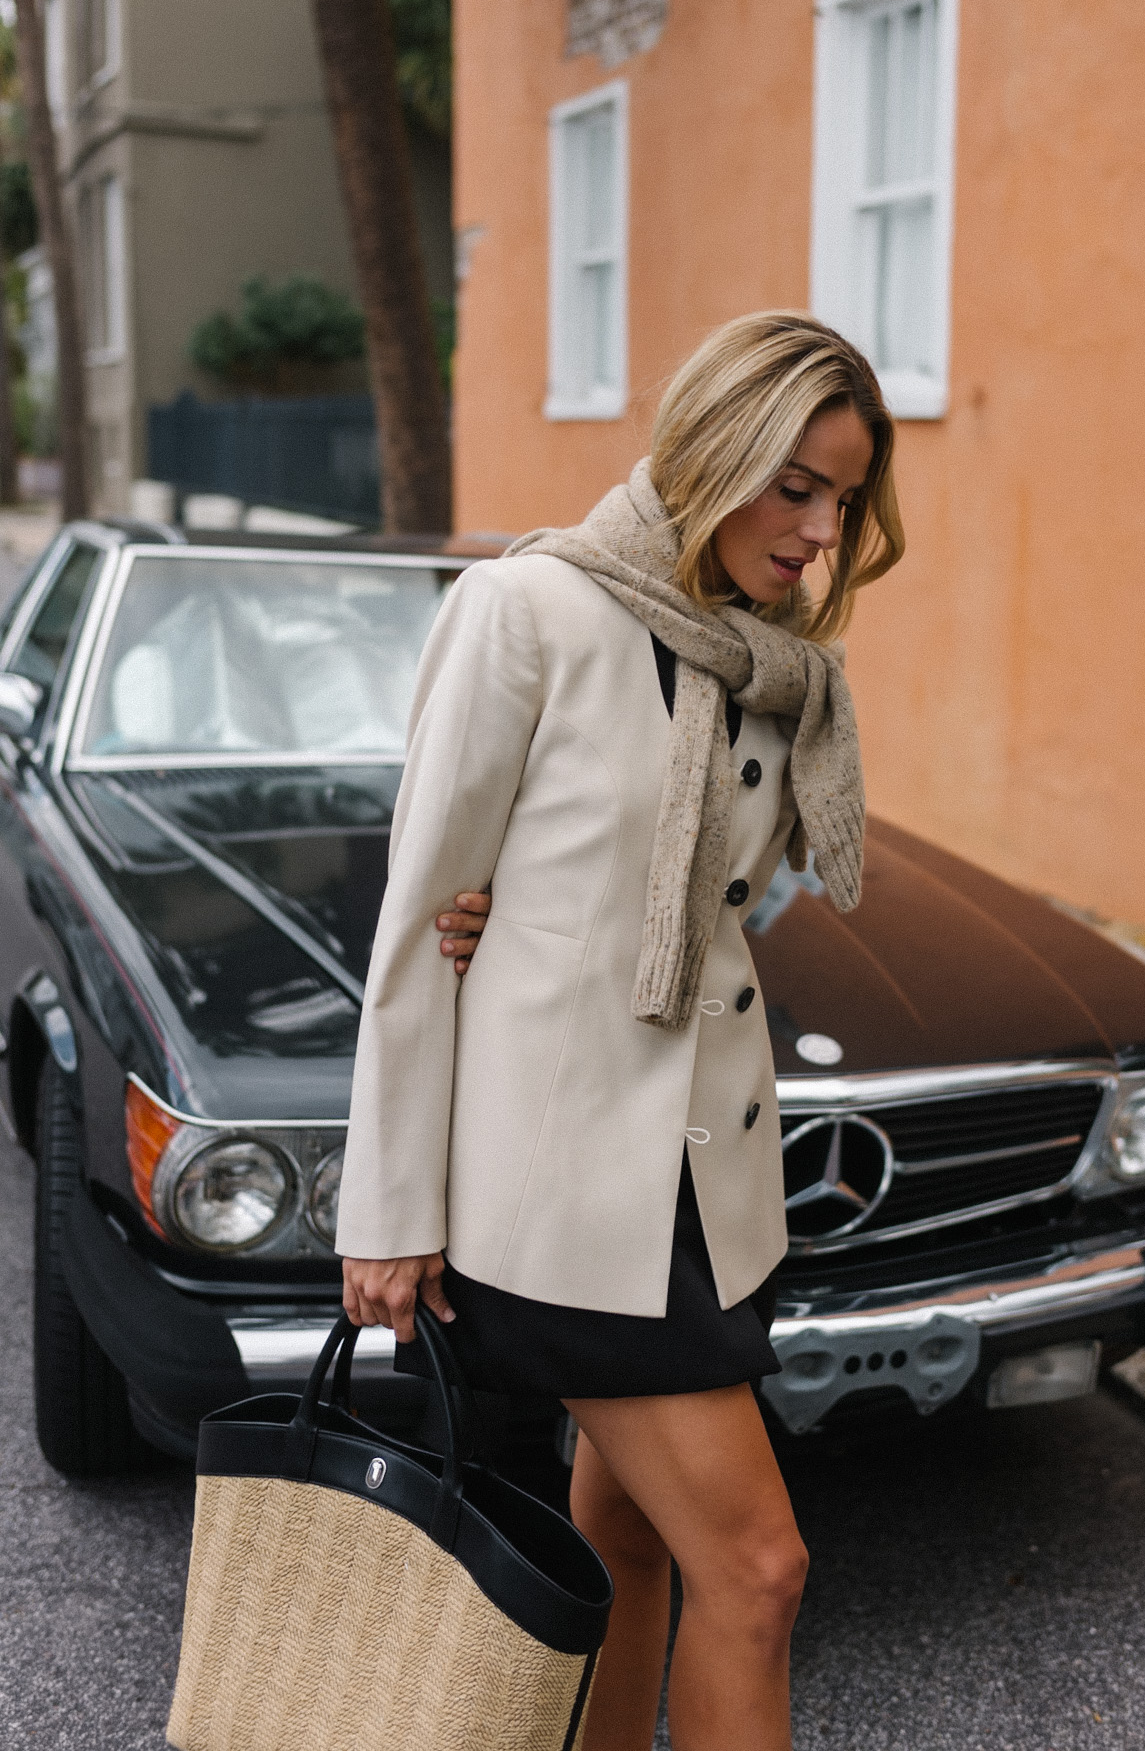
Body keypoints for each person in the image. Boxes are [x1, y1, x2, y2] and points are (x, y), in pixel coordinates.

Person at [336, 311, 904, 1751]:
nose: (821, 533)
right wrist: (391, 1205)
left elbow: (711, 917)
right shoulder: (528, 609)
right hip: (564, 1192)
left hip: (709, 1195)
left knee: (635, 1541)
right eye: (798, 486)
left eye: (842, 499)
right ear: (715, 449)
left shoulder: (761, 664)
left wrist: (521, 914)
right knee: (761, 1572)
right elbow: (417, 917)